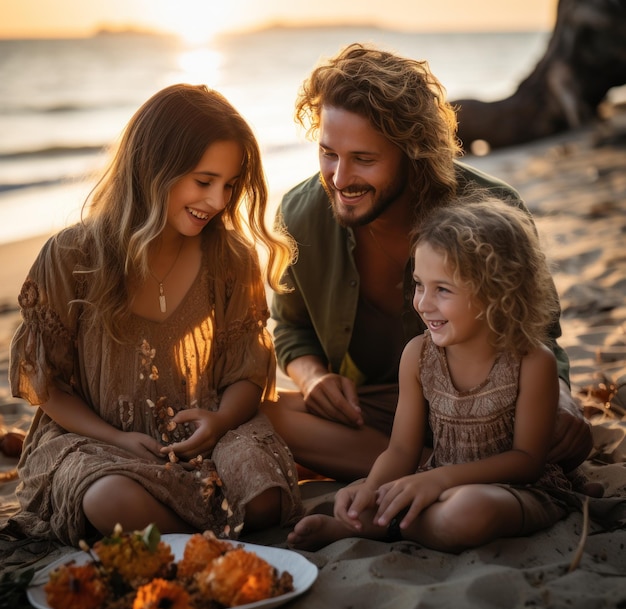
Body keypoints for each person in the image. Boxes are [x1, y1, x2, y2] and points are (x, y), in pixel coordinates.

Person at [262, 43, 592, 483]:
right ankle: (431, 471)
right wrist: (313, 378)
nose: (340, 179)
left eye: (364, 159)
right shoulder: (300, 215)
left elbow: (541, 334)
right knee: (257, 414)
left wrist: (563, 398)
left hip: (487, 412)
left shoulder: (492, 207)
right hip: (376, 411)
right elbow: (290, 326)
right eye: (328, 153)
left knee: (563, 436)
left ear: (412, 152)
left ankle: (437, 471)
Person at [6, 84, 303, 547]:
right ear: (152, 168)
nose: (217, 201)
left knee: (264, 495)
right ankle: (209, 543)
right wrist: (117, 439)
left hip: (203, 438)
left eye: (228, 185)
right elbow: (49, 388)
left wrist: (221, 422)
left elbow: (246, 372)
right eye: (203, 182)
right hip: (96, 441)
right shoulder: (72, 256)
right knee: (110, 500)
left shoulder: (230, 258)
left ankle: (183, 537)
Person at [287, 194, 582, 552]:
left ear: (498, 293)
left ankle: (376, 529)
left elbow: (527, 462)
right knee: (357, 497)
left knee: (467, 512)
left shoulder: (532, 361)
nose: (423, 304)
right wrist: (370, 488)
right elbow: (400, 450)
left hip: (513, 491)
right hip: (437, 482)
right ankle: (373, 521)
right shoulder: (418, 355)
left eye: (442, 289)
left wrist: (441, 480)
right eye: (418, 284)